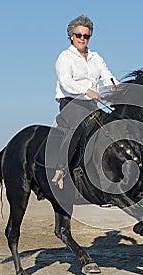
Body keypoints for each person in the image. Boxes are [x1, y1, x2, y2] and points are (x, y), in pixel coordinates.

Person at [51, 15, 118, 189]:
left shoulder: (96, 58)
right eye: (79, 35)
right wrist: (87, 91)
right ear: (71, 36)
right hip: (71, 102)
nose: (82, 38)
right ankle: (61, 168)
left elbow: (107, 76)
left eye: (86, 36)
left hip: (91, 105)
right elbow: (66, 82)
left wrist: (117, 88)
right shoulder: (64, 57)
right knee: (79, 127)